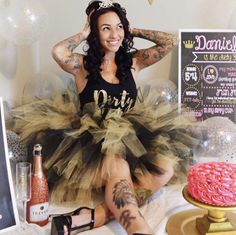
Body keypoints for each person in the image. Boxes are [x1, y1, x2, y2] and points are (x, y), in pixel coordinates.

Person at [11, 0, 199, 234]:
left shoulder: (132, 62)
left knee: (166, 169)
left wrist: (131, 29)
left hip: (133, 134)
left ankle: (91, 217)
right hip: (92, 140)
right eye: (106, 28)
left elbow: (170, 41)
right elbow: (58, 52)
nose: (114, 34)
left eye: (119, 27)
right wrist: (84, 32)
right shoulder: (82, 66)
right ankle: (137, 227)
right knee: (118, 165)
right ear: (95, 33)